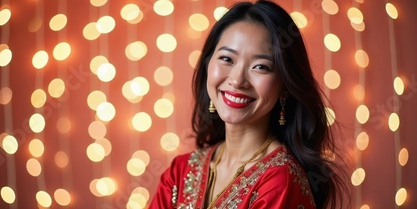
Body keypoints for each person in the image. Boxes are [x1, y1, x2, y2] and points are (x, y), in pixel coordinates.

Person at [150, 1, 350, 208]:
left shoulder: (280, 182)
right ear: (207, 65)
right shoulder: (179, 172)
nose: (237, 81)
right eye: (227, 59)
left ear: (285, 86)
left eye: (260, 66)